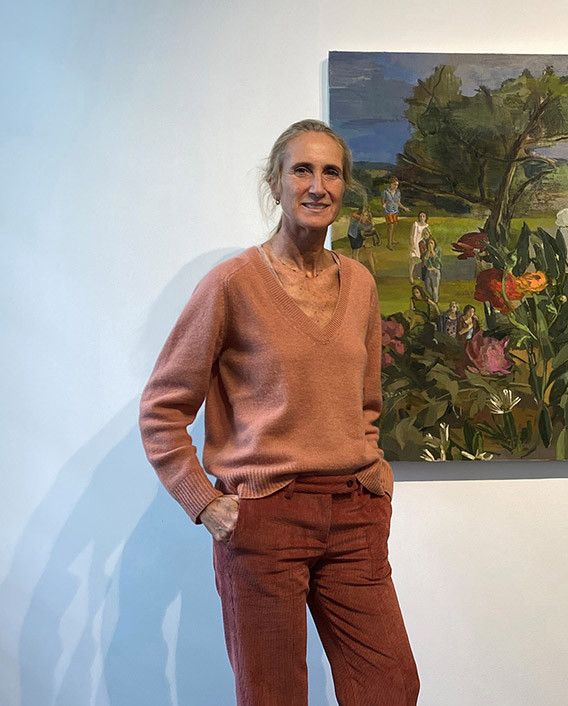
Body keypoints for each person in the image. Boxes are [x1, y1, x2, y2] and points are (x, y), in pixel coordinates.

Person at [139, 119, 419, 706]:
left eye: (332, 172)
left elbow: (367, 401)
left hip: (355, 516)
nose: (317, 185)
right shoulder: (231, 284)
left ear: (344, 189)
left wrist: (375, 477)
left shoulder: (362, 284)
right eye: (302, 169)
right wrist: (204, 502)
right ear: (275, 184)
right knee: (273, 696)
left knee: (390, 688)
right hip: (265, 520)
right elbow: (163, 409)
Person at [347, 202, 377, 273]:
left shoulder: (361, 218)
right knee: (355, 252)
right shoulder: (357, 221)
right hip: (354, 236)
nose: (365, 216)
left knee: (368, 251)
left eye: (366, 215)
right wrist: (372, 227)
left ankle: (373, 270)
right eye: (364, 214)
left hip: (359, 234)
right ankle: (356, 269)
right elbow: (365, 227)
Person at [381, 176, 409, 249]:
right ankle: (389, 244)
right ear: (390, 184)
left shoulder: (398, 192)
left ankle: (392, 240)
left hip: (395, 211)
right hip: (388, 211)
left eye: (397, 185)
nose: (396, 186)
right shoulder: (385, 192)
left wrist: (404, 208)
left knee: (395, 225)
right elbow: (383, 201)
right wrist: (383, 205)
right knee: (391, 227)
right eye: (394, 184)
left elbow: (398, 202)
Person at [409, 211, 430, 283]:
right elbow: (412, 235)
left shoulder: (426, 226)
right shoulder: (415, 224)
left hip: (421, 245)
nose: (422, 218)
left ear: (426, 218)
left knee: (423, 260)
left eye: (423, 216)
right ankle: (410, 276)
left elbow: (427, 236)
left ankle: (423, 276)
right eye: (420, 216)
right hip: (415, 244)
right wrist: (412, 245)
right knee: (413, 260)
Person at [421, 233, 442, 303]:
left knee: (435, 288)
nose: (430, 245)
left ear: (434, 244)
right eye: (429, 243)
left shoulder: (438, 250)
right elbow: (426, 264)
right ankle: (434, 298)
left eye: (432, 243)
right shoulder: (427, 252)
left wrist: (433, 254)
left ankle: (435, 302)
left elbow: (438, 263)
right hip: (428, 271)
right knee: (427, 287)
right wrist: (427, 256)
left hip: (435, 271)